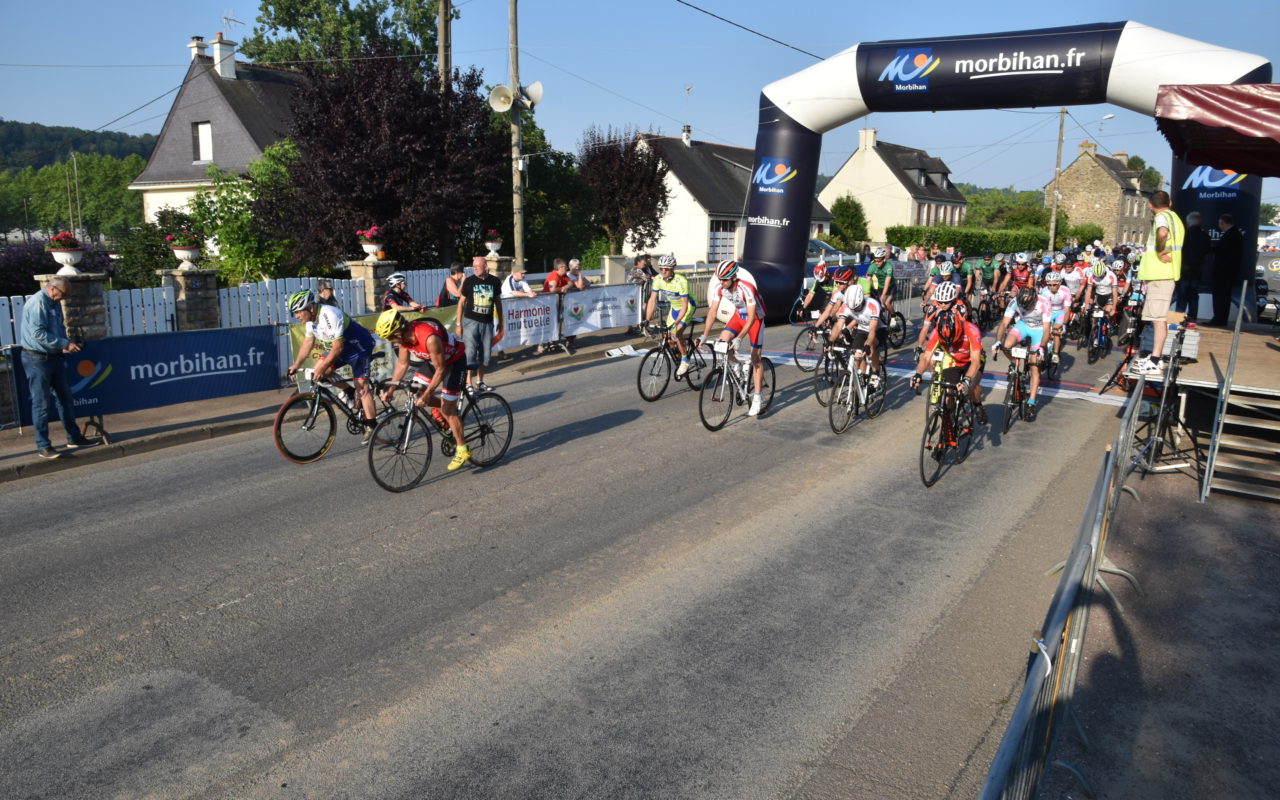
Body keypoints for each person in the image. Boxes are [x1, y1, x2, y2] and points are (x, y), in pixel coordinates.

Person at [374, 309, 472, 471]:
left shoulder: (429, 338)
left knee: (447, 408)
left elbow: (441, 370)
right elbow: (402, 364)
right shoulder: (404, 339)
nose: (391, 341)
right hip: (433, 361)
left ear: (398, 332)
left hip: (454, 362)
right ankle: (445, 410)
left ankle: (462, 449)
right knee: (415, 390)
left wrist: (427, 395)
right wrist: (391, 389)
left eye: (390, 337)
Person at [20, 277, 100, 458]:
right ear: (52, 289)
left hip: (54, 356)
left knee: (65, 398)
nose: (64, 299)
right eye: (63, 294)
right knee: (41, 404)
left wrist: (65, 344)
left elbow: (57, 328)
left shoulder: (53, 303)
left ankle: (74, 437)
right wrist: (64, 343)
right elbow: (38, 334)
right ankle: (43, 445)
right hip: (36, 358)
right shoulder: (38, 303)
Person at [285, 289, 380, 443]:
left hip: (359, 348)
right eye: (294, 313)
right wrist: (297, 364)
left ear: (310, 308)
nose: (296, 316)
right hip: (339, 349)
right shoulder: (311, 321)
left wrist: (323, 367)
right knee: (319, 373)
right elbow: (308, 342)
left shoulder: (329, 314)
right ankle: (349, 391)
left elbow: (338, 347)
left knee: (362, 387)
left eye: (297, 312)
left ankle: (372, 425)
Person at [697, 260, 766, 416]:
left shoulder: (746, 288)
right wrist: (704, 335)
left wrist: (739, 338)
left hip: (755, 319)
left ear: (734, 277)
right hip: (738, 317)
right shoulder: (720, 288)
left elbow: (751, 317)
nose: (721, 282)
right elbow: (712, 311)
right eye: (719, 279)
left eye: (724, 279)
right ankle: (736, 366)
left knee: (756, 358)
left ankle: (757, 397)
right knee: (721, 344)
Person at [1134, 191, 1185, 374]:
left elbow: (1162, 233)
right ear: (1170, 202)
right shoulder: (1175, 217)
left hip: (1160, 274)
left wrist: (1159, 252)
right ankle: (1155, 358)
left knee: (1158, 319)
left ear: (1150, 205)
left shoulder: (1162, 217)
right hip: (1163, 274)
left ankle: (1155, 360)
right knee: (1158, 318)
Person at [910, 308, 987, 423]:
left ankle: (977, 404)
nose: (950, 343)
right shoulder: (936, 332)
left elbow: (976, 362)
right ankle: (950, 423)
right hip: (954, 361)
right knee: (949, 394)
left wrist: (966, 380)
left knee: (972, 387)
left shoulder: (971, 329)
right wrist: (918, 374)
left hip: (972, 360)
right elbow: (926, 358)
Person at [992, 286, 1052, 418]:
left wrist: (1041, 347)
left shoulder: (1044, 303)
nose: (1026, 308)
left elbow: (1047, 329)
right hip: (1023, 325)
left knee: (1034, 364)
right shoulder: (1015, 301)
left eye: (1028, 306)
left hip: (1039, 330)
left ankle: (1031, 401)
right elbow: (1004, 324)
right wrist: (997, 341)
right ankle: (1014, 363)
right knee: (1006, 345)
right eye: (1023, 306)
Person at [456, 256, 504, 392]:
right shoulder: (469, 281)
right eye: (474, 266)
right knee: (470, 353)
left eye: (478, 266)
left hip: (487, 323)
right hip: (471, 322)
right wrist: (458, 324)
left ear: (485, 266)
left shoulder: (495, 281)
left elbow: (498, 302)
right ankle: (468, 383)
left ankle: (480, 381)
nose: (475, 268)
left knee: (486, 354)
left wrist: (501, 321)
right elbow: (461, 303)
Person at [644, 254, 695, 375]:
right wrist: (647, 320)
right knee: (667, 336)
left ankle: (685, 360)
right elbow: (652, 300)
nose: (663, 271)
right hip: (675, 308)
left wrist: (676, 323)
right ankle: (678, 352)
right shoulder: (658, 279)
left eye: (666, 268)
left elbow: (684, 305)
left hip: (687, 307)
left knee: (677, 332)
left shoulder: (681, 281)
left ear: (673, 268)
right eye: (661, 268)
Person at [1209, 212, 1245, 327]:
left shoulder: (1231, 235)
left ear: (1223, 223)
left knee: (1221, 296)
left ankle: (1219, 319)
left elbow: (1224, 252)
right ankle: (1220, 318)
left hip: (1224, 272)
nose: (1219, 226)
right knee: (1223, 296)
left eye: (1220, 223)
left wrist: (1212, 249)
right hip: (1228, 271)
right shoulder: (1235, 234)